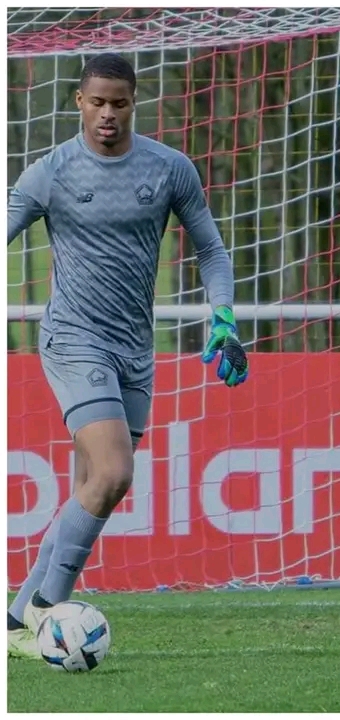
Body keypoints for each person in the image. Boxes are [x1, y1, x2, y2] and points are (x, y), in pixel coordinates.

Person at [7, 53, 248, 659]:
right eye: (97, 102)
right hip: (72, 338)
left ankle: (13, 621)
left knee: (97, 485)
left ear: (133, 103)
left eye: (119, 103)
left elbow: (213, 252)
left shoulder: (169, 169)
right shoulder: (51, 171)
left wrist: (222, 317)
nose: (108, 114)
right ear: (78, 103)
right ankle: (44, 611)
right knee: (115, 471)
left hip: (135, 350)